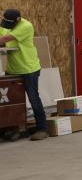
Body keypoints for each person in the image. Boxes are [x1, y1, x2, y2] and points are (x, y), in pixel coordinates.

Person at [1, 9, 48, 140]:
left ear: (18, 20)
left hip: (28, 68)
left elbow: (5, 38)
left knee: (33, 98)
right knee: (12, 99)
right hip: (13, 68)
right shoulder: (5, 24)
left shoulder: (26, 26)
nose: (5, 25)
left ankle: (42, 129)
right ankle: (16, 128)